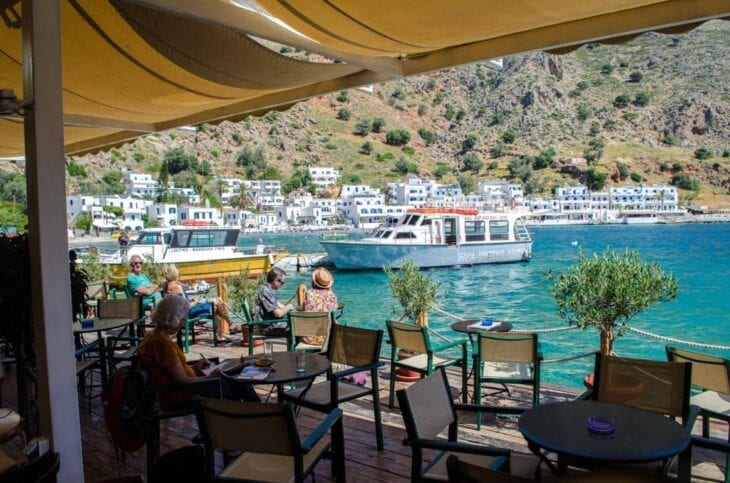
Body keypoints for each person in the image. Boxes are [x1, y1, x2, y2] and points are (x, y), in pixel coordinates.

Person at [138, 295, 258, 410]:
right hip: (183, 396)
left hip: (181, 391)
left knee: (234, 381)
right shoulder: (162, 343)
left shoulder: (152, 336)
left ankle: (238, 419)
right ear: (174, 318)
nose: (183, 322)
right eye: (182, 318)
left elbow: (172, 373)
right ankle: (260, 415)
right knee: (240, 382)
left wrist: (194, 368)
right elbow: (182, 381)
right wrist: (210, 377)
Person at [160, 264, 237, 341]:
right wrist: (196, 301)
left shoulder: (165, 285)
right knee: (218, 302)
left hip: (178, 314)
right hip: (188, 313)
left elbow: (179, 301)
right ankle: (229, 325)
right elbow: (186, 306)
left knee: (217, 306)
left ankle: (223, 333)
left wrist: (190, 298)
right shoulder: (177, 287)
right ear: (174, 273)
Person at [254, 267, 293, 337]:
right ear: (276, 281)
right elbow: (278, 314)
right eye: (282, 282)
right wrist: (289, 306)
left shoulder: (267, 289)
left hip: (270, 324)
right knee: (297, 327)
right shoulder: (266, 291)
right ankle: (296, 347)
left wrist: (287, 308)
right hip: (269, 328)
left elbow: (277, 304)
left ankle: (296, 346)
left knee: (297, 324)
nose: (282, 285)